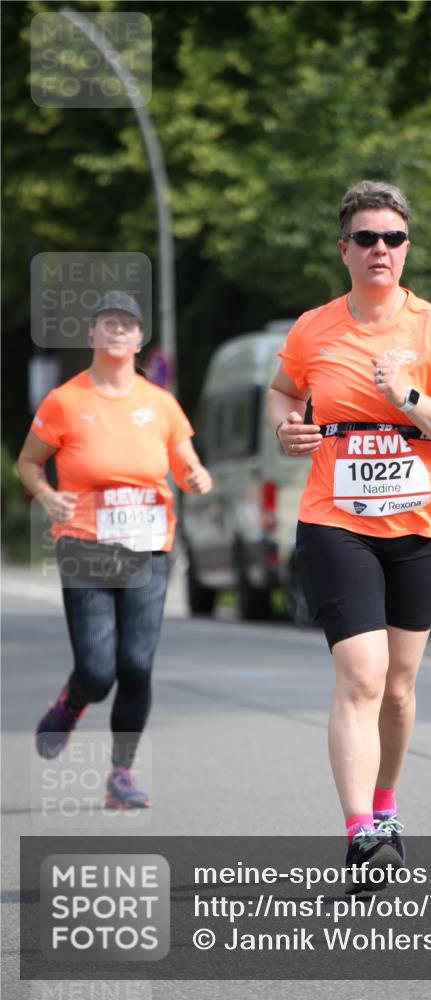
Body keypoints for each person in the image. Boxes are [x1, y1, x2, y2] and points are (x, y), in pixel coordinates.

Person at [267, 181, 431, 889]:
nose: (379, 249)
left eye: (391, 238)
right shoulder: (313, 327)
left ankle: (385, 808)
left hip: (421, 525)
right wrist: (285, 426)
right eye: (366, 238)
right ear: (344, 250)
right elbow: (281, 389)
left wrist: (407, 398)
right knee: (359, 675)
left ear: (405, 248)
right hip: (335, 523)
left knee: (396, 687)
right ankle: (360, 834)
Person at [17, 291, 212, 808]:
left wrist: (196, 475)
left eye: (128, 325)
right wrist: (47, 494)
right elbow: (29, 464)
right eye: (109, 324)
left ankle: (120, 777)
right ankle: (70, 703)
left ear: (139, 338)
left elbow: (185, 466)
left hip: (149, 547)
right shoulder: (65, 400)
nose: (119, 332)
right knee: (98, 670)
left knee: (136, 665)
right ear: (92, 336)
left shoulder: (161, 403)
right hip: (85, 544)